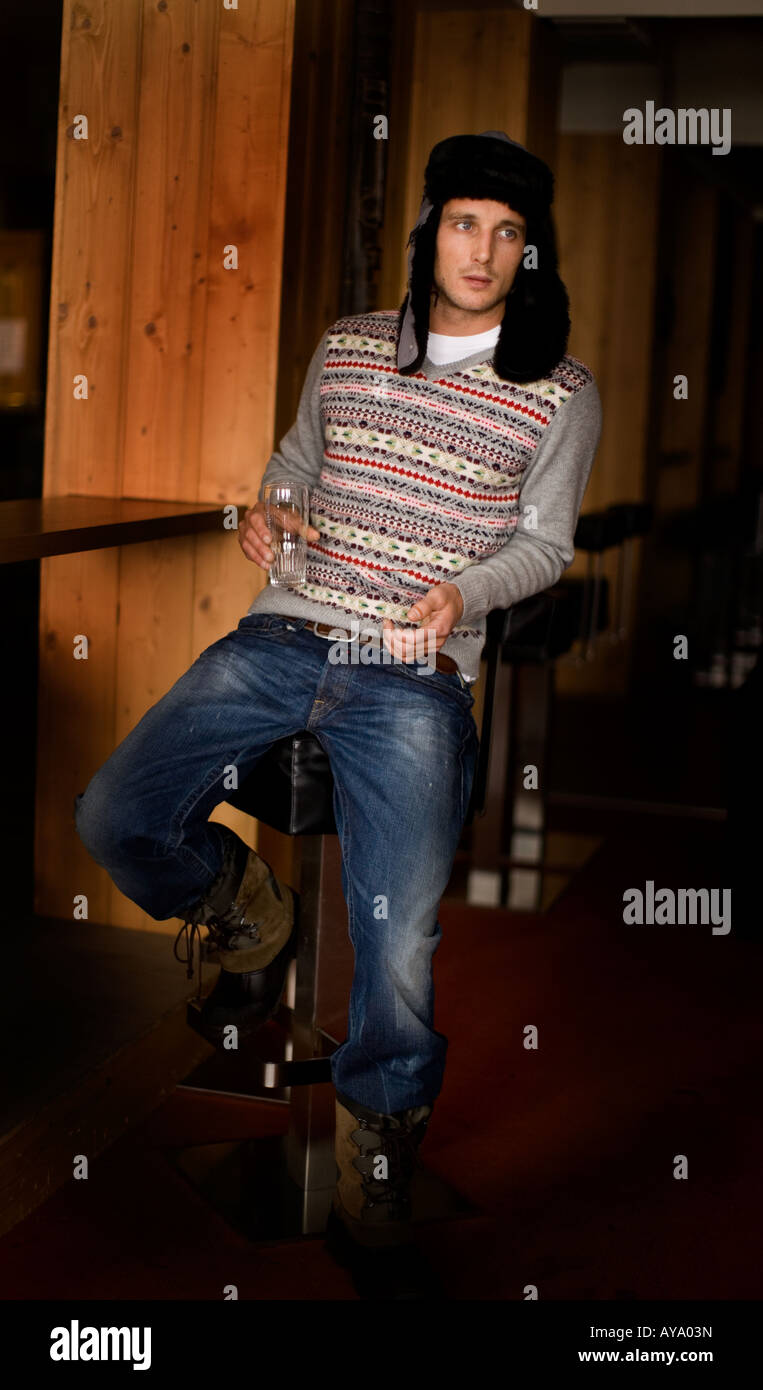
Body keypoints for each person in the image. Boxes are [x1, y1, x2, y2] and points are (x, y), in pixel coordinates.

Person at [74, 130, 602, 1299]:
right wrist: (268, 512)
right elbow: (296, 462)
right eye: (465, 223)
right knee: (113, 813)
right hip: (283, 632)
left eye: (508, 232)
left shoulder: (560, 387)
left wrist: (463, 593)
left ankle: (380, 1136)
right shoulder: (353, 345)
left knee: (400, 935)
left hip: (414, 669)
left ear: (530, 251)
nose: (484, 249)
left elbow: (546, 547)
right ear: (429, 233)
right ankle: (240, 901)